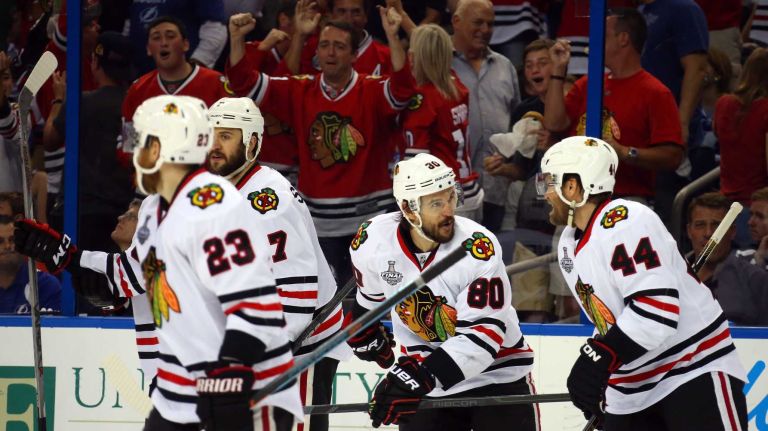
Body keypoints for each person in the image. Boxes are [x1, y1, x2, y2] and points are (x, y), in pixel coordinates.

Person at [29, 95, 303, 429]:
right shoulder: (155, 209)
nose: (139, 154)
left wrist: (230, 371)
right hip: (178, 385)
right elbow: (123, 280)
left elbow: (255, 306)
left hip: (240, 385)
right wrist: (66, 256)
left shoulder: (217, 210)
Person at [540, 136, 747, 429]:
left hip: (691, 368)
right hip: (632, 390)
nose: (545, 194)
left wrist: (601, 356)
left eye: (549, 183)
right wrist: (601, 368)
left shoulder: (625, 220)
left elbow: (657, 312)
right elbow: (615, 321)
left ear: (572, 187)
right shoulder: (568, 245)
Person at [348, 153, 537, 430]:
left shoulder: (477, 247)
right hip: (427, 383)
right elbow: (371, 300)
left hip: (497, 377)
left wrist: (419, 376)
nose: (449, 211)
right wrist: (362, 327)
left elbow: (483, 335)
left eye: (450, 198)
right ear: (409, 208)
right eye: (437, 203)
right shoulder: (372, 241)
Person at [227, 8, 414, 284]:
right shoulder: (300, 90)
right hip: (318, 223)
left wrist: (392, 35)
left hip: (370, 219)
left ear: (353, 55)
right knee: (329, 303)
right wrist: (236, 39)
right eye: (324, 45)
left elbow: (402, 89)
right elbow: (243, 83)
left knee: (378, 297)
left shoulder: (371, 90)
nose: (330, 53)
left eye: (339, 46)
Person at [207, 96, 346, 431]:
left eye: (226, 136)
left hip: (302, 343)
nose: (214, 145)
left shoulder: (267, 202)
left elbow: (295, 292)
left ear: (252, 142)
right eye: (210, 135)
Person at [544, 8, 684, 206]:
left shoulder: (656, 92)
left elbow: (673, 156)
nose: (594, 40)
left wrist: (624, 152)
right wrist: (558, 70)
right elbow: (553, 122)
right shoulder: (588, 84)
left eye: (603, 34)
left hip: (625, 200)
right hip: (577, 199)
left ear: (623, 38)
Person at [451, 0, 522, 232]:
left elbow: (517, 125)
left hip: (496, 186)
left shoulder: (505, 66)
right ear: (457, 22)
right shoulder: (441, 64)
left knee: (491, 260)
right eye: (478, 22)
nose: (485, 30)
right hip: (454, 189)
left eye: (490, 24)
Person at [121, 16, 233, 160]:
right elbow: (129, 147)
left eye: (170, 36)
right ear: (149, 49)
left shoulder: (216, 83)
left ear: (185, 45)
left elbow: (232, 139)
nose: (163, 43)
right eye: (156, 38)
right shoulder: (138, 89)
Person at [400, 24, 481, 221]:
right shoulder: (455, 84)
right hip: (469, 190)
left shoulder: (423, 100)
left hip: (445, 198)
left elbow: (417, 164)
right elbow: (433, 44)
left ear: (413, 57)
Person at [685, 192, 768, 326]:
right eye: (700, 225)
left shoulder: (755, 279)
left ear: (732, 231)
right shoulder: (669, 276)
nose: (709, 234)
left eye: (717, 226)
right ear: (689, 231)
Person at [127, 0, 227, 73]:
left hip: (183, 74)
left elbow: (215, 28)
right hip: (140, 71)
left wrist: (199, 62)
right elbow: (131, 21)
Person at [0, 215, 61, 314]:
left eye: (12, 239)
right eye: (0, 241)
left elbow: (54, 328)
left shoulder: (45, 284)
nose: (7, 246)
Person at [748, 187, 768, 268]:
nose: (750, 222)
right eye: (751, 214)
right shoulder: (740, 255)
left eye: (760, 216)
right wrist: (759, 260)